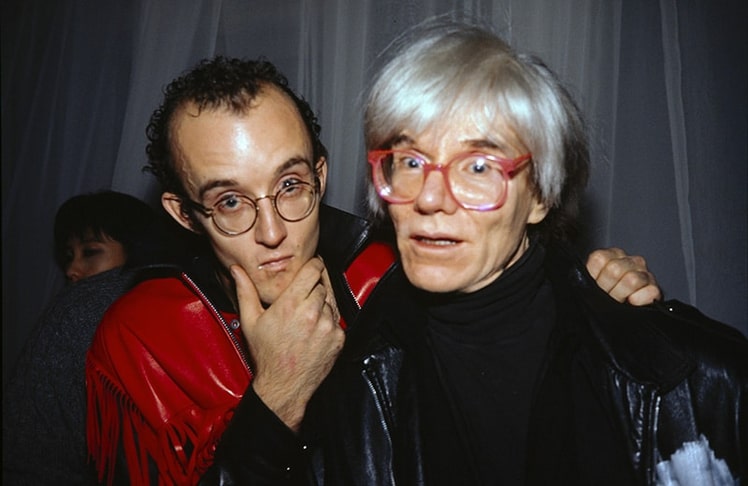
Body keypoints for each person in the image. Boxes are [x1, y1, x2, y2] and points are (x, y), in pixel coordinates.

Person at [204, 21, 747, 485]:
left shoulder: (702, 381)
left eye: (478, 167)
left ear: (540, 195)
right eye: (410, 161)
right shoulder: (349, 383)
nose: (431, 199)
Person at [85, 57, 661, 485]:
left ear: (322, 174)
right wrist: (278, 398)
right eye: (230, 201)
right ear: (184, 213)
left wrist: (583, 288)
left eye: (290, 186)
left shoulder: (393, 275)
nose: (272, 231)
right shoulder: (140, 340)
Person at [3, 190, 183, 485]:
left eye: (90, 252)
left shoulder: (88, 306)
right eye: (68, 256)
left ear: (137, 251)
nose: (72, 270)